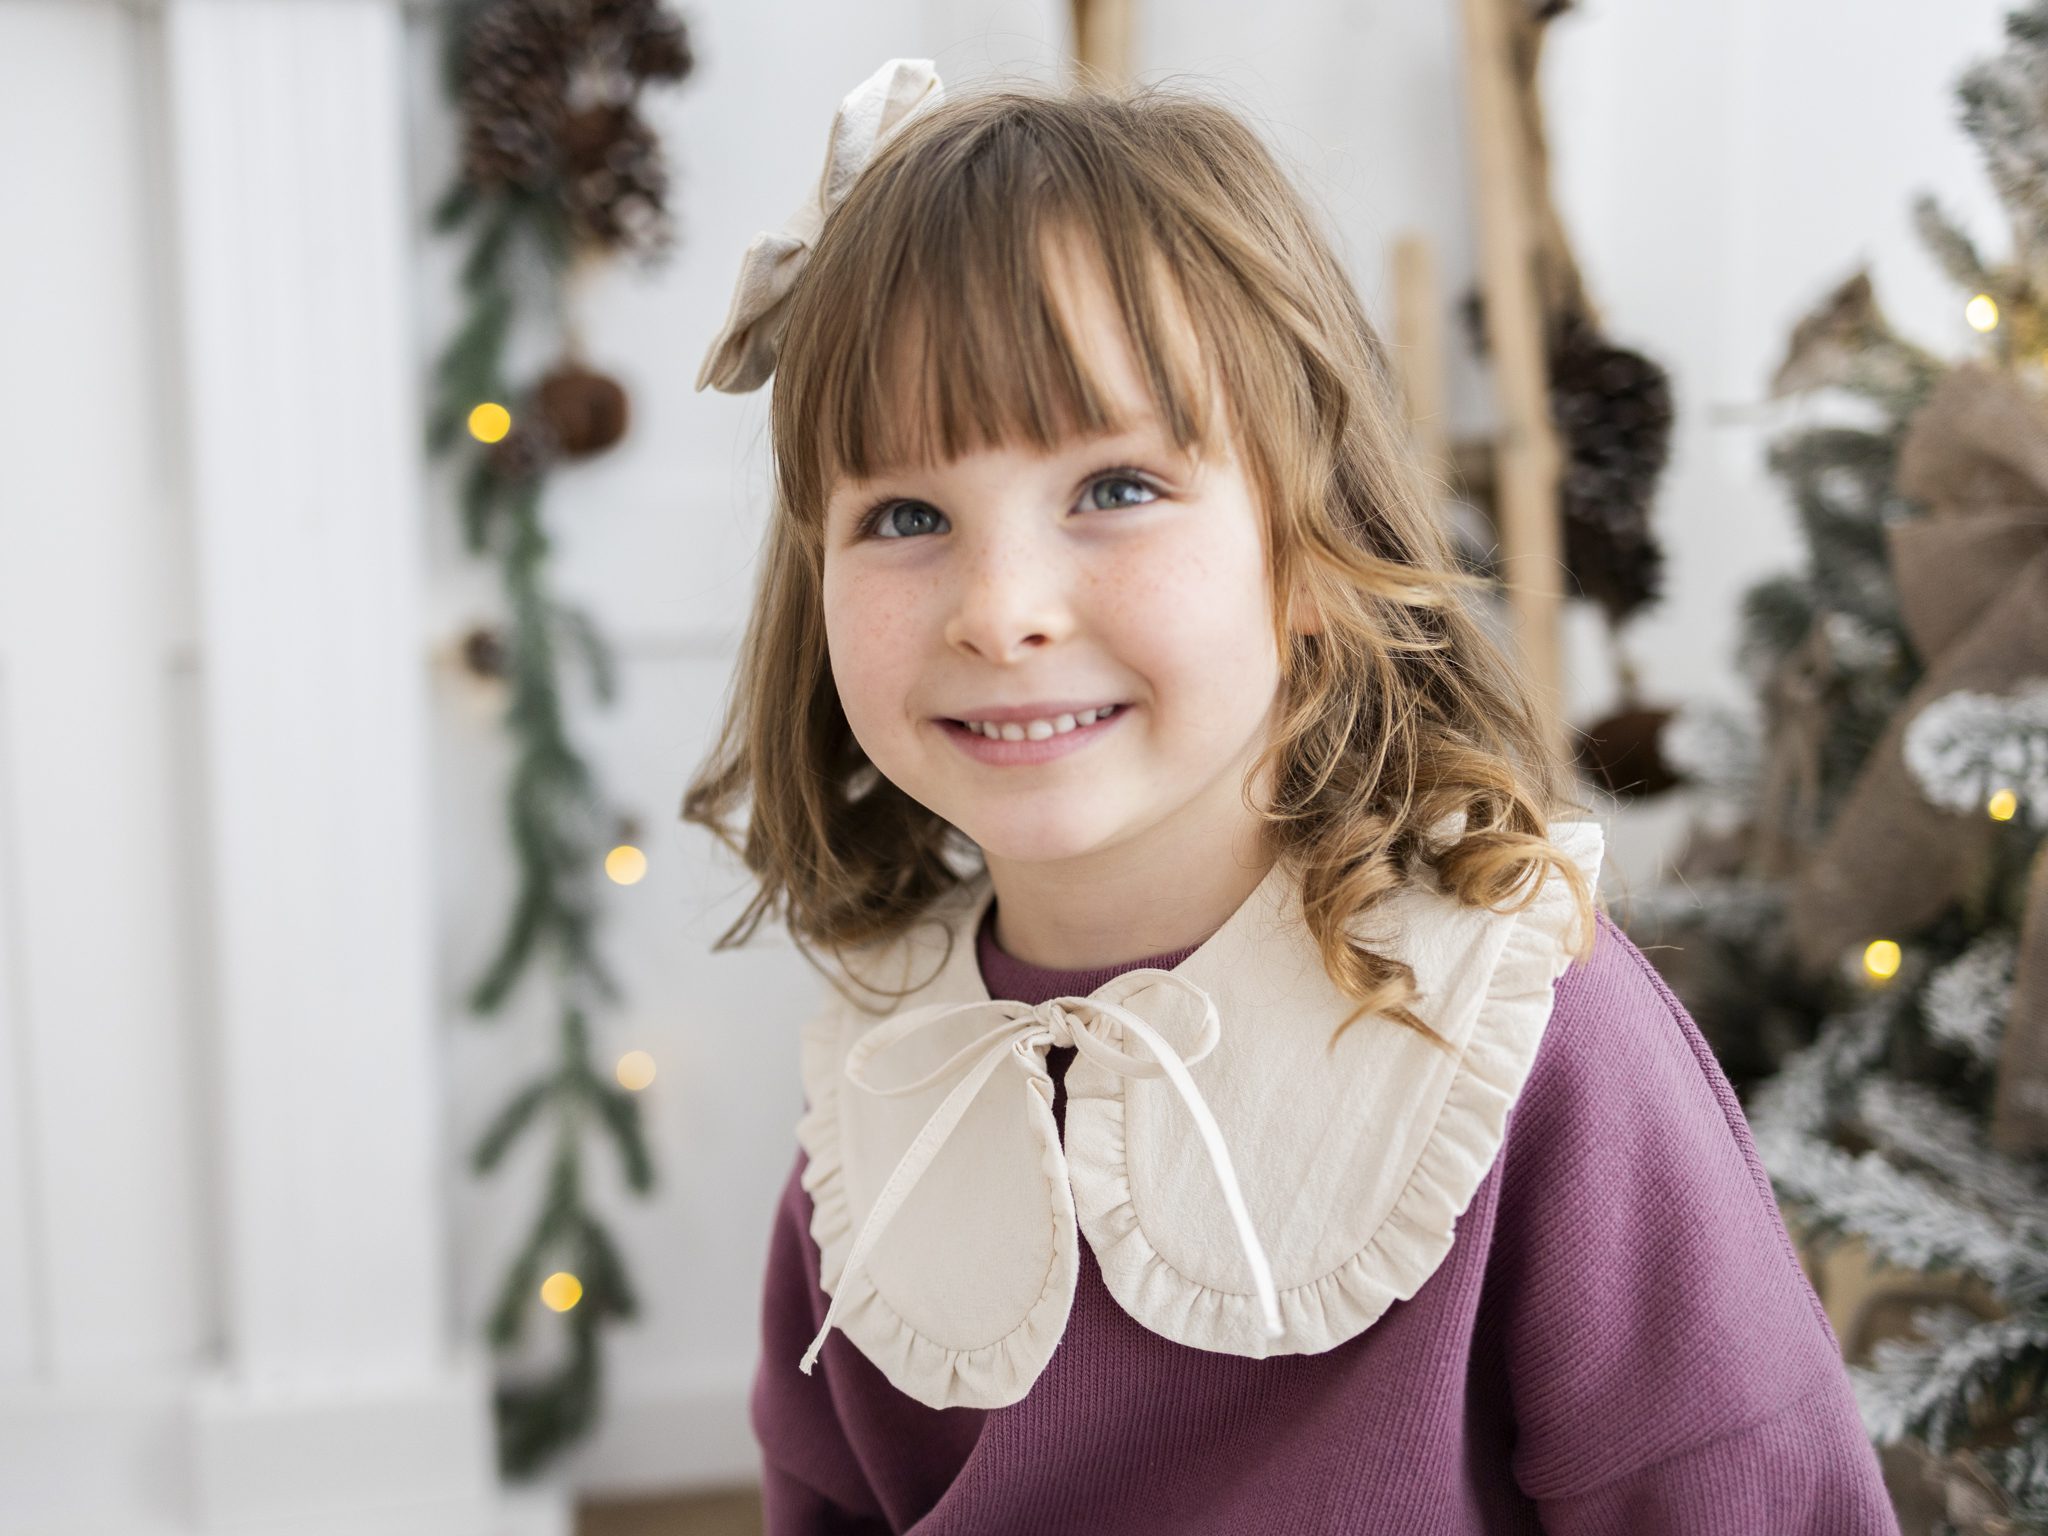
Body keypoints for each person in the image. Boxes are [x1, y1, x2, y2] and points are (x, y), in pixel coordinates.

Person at [681, 58, 1900, 1536]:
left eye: (1114, 488)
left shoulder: (1527, 1031)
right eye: (906, 514)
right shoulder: (886, 1078)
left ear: (1310, 548)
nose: (998, 611)